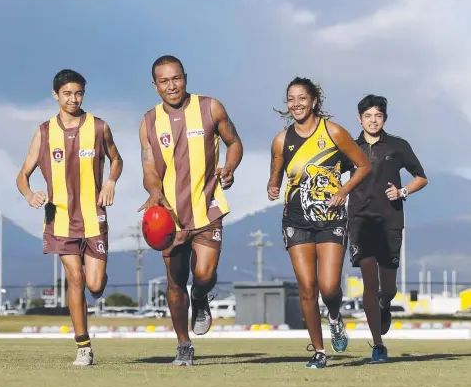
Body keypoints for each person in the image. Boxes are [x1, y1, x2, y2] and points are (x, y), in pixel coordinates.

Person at [138, 55, 243, 367]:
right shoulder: (148, 123)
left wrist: (230, 167)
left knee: (204, 275)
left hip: (207, 206)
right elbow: (148, 170)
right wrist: (155, 193)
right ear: (155, 85)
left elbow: (234, 143)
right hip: (170, 216)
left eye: (176, 78)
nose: (172, 86)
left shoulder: (211, 107)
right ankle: (184, 344)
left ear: (185, 77)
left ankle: (200, 297)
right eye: (164, 81)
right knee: (175, 281)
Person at [16, 69, 123, 366]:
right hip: (60, 220)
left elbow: (117, 159)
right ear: (55, 95)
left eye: (78, 93)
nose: (73, 99)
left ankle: (98, 280)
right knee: (74, 278)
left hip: (94, 219)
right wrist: (29, 195)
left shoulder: (99, 127)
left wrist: (111, 181)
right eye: (66, 93)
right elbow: (22, 175)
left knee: (95, 285)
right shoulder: (44, 132)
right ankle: (83, 347)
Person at [267, 77, 371, 369]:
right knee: (308, 287)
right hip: (296, 220)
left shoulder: (334, 132)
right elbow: (274, 179)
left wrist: (343, 191)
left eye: (302, 98)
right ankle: (319, 351)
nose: (296, 104)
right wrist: (272, 187)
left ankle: (335, 317)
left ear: (313, 101)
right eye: (291, 99)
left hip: (331, 220)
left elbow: (363, 166)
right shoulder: (280, 140)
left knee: (328, 288)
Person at [345, 95, 427, 362]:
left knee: (387, 287)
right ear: (359, 119)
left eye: (378, 116)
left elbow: (421, 178)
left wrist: (402, 191)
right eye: (367, 116)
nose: (372, 121)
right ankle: (377, 344)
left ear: (384, 118)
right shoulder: (349, 147)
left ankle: (385, 304)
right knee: (369, 282)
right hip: (359, 221)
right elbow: (332, 173)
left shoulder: (397, 146)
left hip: (390, 221)